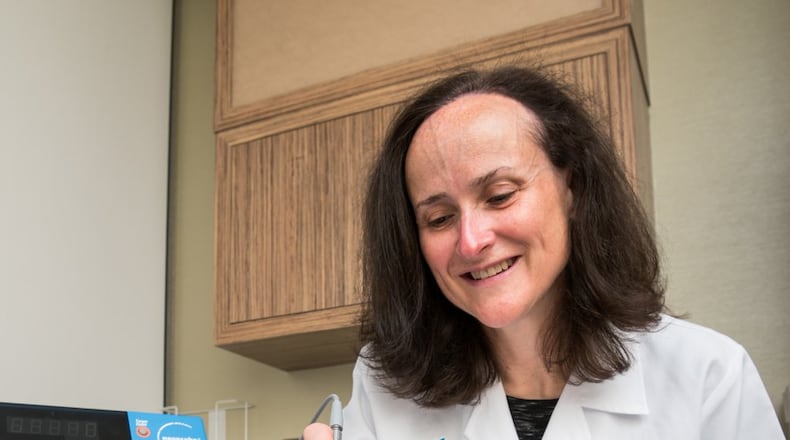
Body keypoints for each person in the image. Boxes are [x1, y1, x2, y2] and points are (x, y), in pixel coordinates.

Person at [303, 66, 784, 439]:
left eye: (500, 195)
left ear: (571, 188)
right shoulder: (384, 387)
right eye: (439, 219)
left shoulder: (708, 374)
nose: (471, 242)